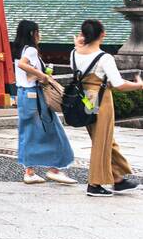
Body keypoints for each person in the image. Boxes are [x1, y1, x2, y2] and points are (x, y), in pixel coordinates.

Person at [72, 18, 143, 196]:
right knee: (101, 142)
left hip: (86, 99)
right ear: (102, 35)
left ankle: (117, 178)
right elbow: (118, 84)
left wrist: (78, 46)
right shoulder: (104, 57)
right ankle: (94, 184)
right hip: (101, 99)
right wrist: (139, 85)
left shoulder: (74, 54)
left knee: (103, 139)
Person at [11, 20, 76, 185]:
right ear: (33, 33)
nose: (40, 35)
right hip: (34, 95)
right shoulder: (31, 50)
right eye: (38, 32)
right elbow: (23, 65)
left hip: (23, 95)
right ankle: (54, 168)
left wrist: (38, 73)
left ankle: (30, 171)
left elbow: (21, 69)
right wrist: (43, 76)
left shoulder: (19, 50)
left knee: (28, 132)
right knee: (53, 129)